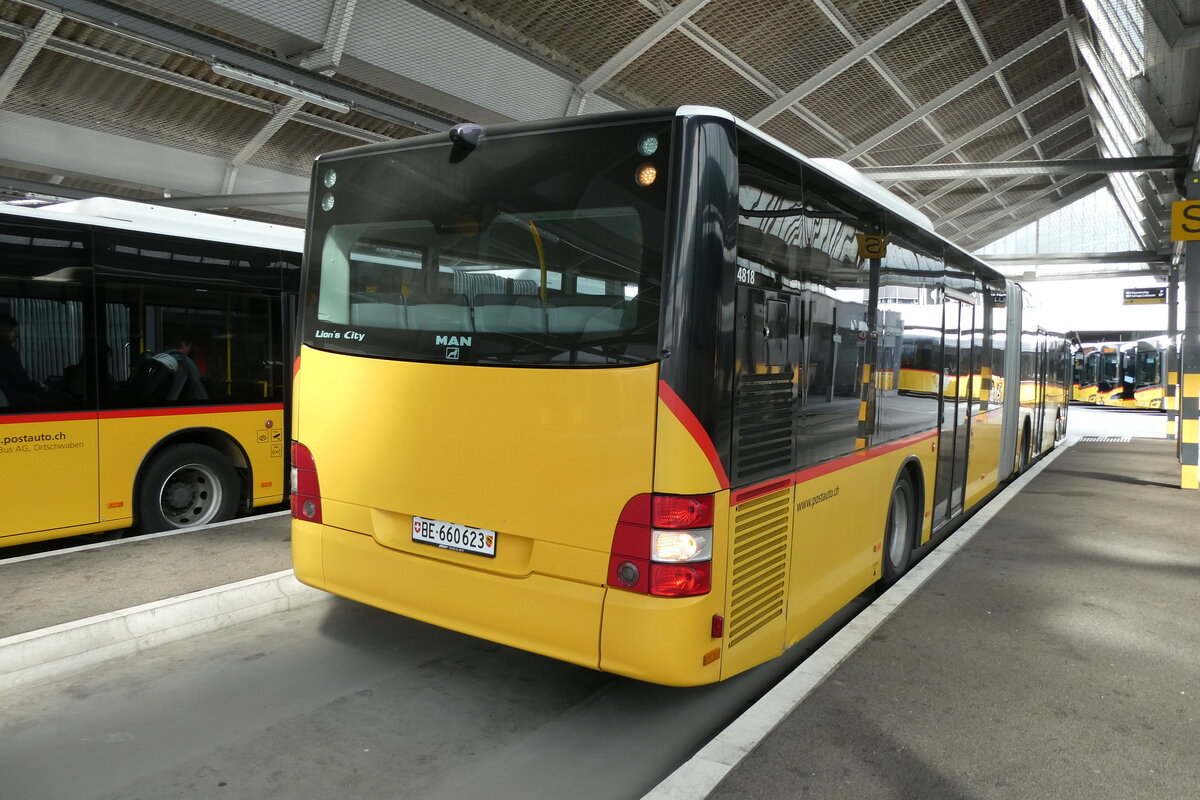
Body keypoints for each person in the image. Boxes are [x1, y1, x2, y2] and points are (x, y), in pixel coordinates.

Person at [0, 313, 46, 406]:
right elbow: (22, 384)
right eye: (14, 331)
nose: (17, 334)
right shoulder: (7, 352)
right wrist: (39, 385)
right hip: (13, 401)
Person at [156, 334, 208, 401]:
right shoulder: (186, 362)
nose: (189, 350)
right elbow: (198, 385)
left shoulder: (158, 358)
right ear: (183, 345)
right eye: (189, 346)